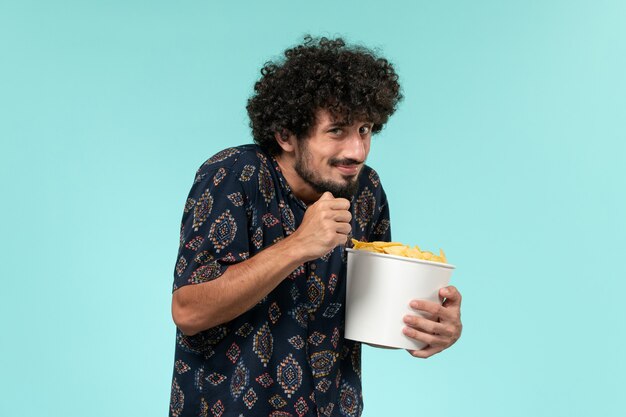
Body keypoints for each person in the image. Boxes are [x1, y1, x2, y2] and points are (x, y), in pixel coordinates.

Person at [169, 36, 462, 417]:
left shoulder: (365, 190)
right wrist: (298, 245)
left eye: (365, 129)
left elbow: (367, 317)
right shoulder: (233, 175)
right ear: (286, 135)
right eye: (337, 131)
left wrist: (430, 327)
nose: (356, 151)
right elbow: (189, 312)